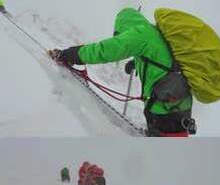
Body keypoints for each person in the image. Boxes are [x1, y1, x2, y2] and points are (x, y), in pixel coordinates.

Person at [48, 8, 194, 137]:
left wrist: (69, 54)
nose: (120, 36)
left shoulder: (140, 34)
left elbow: (104, 51)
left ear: (123, 26)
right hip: (179, 103)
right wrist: (136, 62)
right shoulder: (153, 32)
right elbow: (162, 58)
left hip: (164, 107)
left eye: (119, 34)